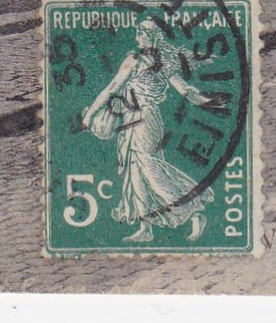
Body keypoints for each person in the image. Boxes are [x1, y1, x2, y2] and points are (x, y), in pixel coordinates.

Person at [82, 21, 225, 243]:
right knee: (135, 172)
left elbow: (185, 90)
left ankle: (193, 211)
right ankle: (145, 227)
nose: (137, 36)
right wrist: (90, 116)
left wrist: (208, 101)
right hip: (130, 119)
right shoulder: (136, 60)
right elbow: (112, 89)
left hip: (147, 120)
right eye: (137, 32)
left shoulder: (157, 63)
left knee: (150, 169)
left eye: (143, 33)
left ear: (154, 37)